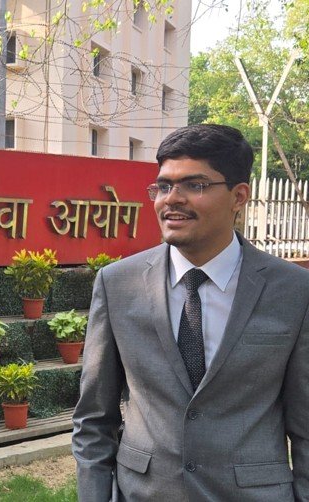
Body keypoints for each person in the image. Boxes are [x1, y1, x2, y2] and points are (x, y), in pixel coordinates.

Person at [72, 124, 308, 501]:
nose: (172, 199)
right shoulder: (117, 284)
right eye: (163, 186)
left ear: (238, 196)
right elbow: (93, 420)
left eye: (194, 185)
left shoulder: (294, 291)